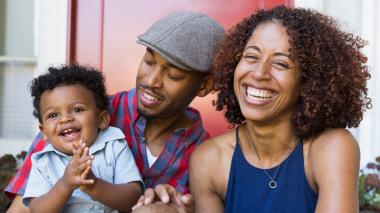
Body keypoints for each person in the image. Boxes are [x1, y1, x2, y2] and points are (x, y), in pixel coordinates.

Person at [5, 11, 225, 213]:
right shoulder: (77, 117)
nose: (151, 81)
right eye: (148, 62)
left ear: (204, 86)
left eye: (174, 75)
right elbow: (24, 209)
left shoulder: (206, 154)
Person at [190, 5, 371, 212]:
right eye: (251, 56)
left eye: (281, 64)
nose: (259, 73)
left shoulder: (331, 148)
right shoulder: (209, 159)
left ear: (308, 82)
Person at [23, 65, 143, 212]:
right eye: (53, 115)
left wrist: (94, 186)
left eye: (77, 109)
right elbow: (37, 210)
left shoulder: (114, 145)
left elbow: (134, 199)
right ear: (44, 132)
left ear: (102, 119)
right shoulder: (44, 162)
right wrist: (65, 185)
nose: (65, 119)